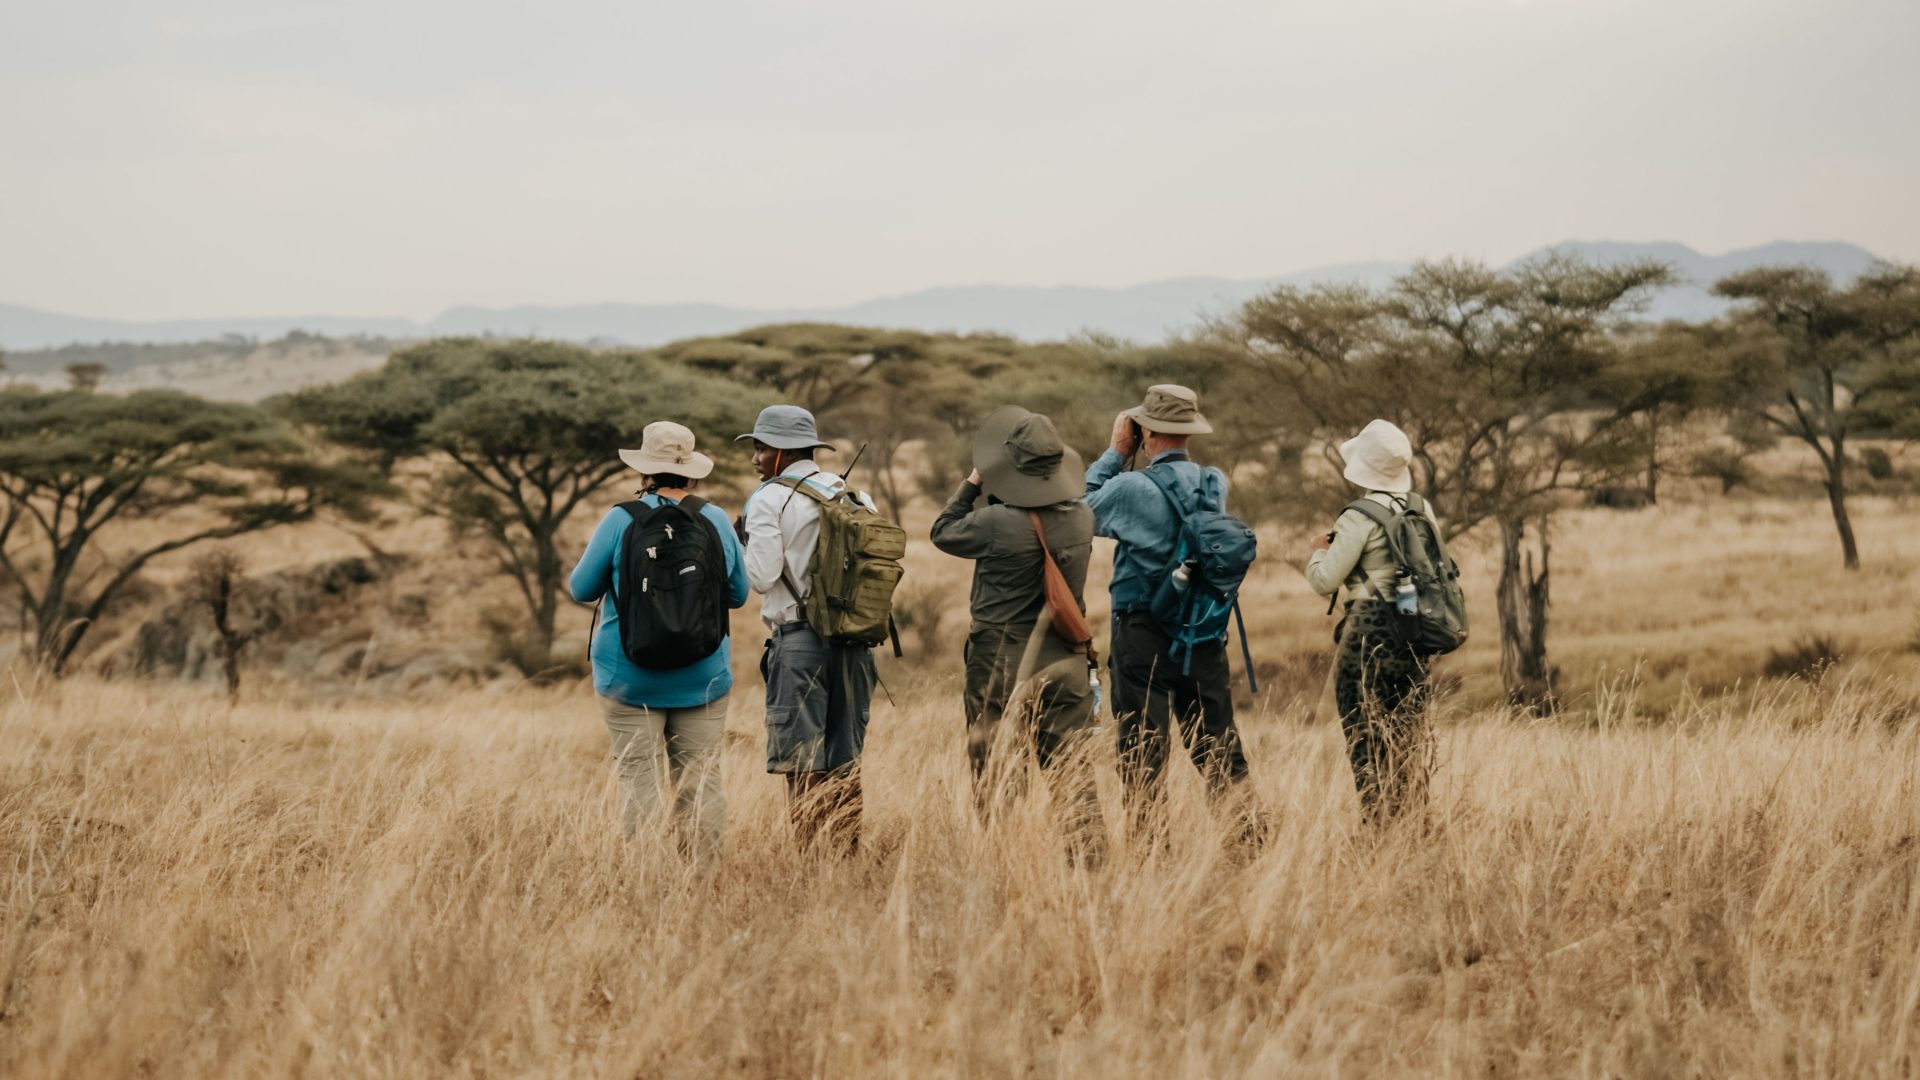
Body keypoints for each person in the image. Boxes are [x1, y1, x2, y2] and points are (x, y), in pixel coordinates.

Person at [567, 421, 749, 859]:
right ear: (692, 472)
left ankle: (650, 885)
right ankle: (700, 887)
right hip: (704, 675)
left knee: (639, 779)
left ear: (644, 473)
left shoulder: (620, 519)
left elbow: (580, 589)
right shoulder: (715, 518)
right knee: (701, 779)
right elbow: (739, 595)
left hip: (628, 679)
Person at [930, 405, 1100, 838]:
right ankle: (1090, 867)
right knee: (1073, 773)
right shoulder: (1081, 516)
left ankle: (1004, 856)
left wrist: (973, 483)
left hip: (1001, 659)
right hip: (1066, 656)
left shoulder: (994, 522)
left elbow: (943, 530)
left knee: (997, 769)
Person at [1084, 384, 1254, 817]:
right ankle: (1250, 843)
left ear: (1146, 433)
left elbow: (1078, 513)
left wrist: (1115, 453)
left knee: (1142, 752)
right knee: (1218, 744)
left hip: (1143, 630)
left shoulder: (1130, 487)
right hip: (1202, 628)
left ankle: (1151, 862)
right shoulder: (1215, 482)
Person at [737, 404, 877, 853]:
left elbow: (760, 577)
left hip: (799, 641)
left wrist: (743, 543)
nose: (754, 458)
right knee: (845, 760)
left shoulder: (768, 498)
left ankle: (811, 863)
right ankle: (847, 854)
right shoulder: (855, 494)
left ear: (780, 452)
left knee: (801, 759)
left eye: (760, 448)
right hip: (854, 643)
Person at [1304, 419, 1436, 824]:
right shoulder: (1421, 507)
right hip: (1415, 625)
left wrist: (1317, 552)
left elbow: (1325, 580)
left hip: (1368, 627)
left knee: (1363, 731)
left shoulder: (1358, 517)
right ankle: (1414, 822)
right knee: (1406, 732)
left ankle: (1379, 823)